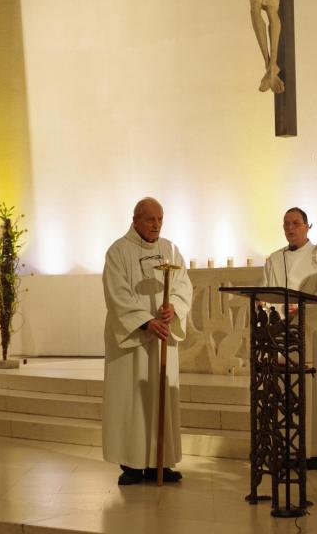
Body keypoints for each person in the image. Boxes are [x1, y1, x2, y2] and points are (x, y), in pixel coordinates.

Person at [102, 197, 192, 485]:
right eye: (151, 219)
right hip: (134, 341)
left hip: (163, 336)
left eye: (160, 219)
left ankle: (161, 463)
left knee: (161, 398)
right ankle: (132, 464)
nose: (157, 225)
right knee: (132, 401)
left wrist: (173, 307)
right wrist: (146, 321)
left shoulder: (170, 250)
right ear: (136, 219)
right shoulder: (118, 251)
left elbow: (183, 286)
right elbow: (117, 293)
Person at [263, 207, 317, 467]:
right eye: (286, 224)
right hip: (284, 331)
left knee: (314, 388)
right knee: (287, 391)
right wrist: (276, 312)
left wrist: (304, 308)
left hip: (314, 330)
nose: (290, 228)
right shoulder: (274, 259)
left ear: (308, 227)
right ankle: (288, 446)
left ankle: (316, 448)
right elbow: (266, 295)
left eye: (296, 223)